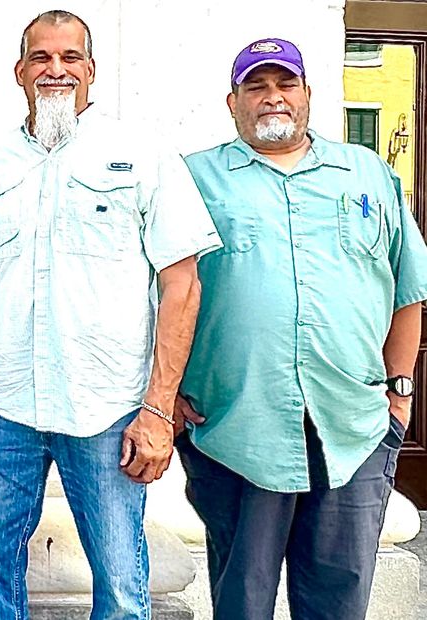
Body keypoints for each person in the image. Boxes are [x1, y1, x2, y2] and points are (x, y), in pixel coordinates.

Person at [0, 10, 222, 620]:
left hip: (107, 404)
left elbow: (182, 286)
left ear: (91, 70)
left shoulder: (141, 155)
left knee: (120, 580)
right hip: (6, 404)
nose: (55, 70)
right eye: (41, 58)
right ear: (19, 72)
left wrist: (158, 406)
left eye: (70, 58)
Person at [176, 37, 427, 620]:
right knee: (243, 600)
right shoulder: (193, 180)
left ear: (308, 95)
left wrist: (401, 390)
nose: (272, 99)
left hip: (354, 424)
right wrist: (164, 394)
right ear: (232, 102)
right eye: (256, 87)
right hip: (239, 426)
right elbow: (160, 293)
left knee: (339, 601)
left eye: (285, 84)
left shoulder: (367, 174)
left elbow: (408, 287)